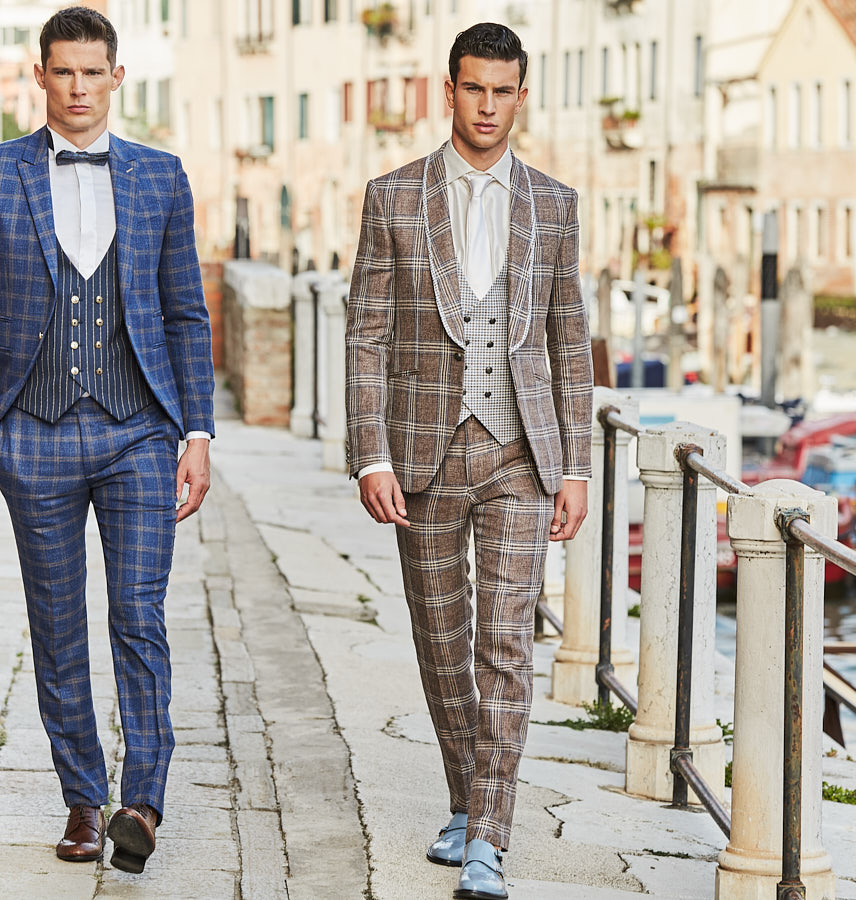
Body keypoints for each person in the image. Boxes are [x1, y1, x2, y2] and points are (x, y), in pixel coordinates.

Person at [0, 6, 214, 875]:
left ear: (116, 78)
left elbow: (184, 313)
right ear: (40, 76)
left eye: (94, 72)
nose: (80, 87)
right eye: (65, 72)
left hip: (139, 431)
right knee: (56, 627)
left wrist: (196, 430)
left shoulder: (161, 177)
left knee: (138, 615)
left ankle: (143, 803)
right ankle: (83, 803)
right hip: (33, 438)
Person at [345, 22, 591, 900]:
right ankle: (463, 800)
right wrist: (368, 452)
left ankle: (489, 834)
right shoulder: (392, 198)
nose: (487, 106)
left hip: (523, 452)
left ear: (521, 96)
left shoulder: (555, 204)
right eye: (472, 89)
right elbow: (367, 333)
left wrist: (576, 467)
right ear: (445, 91)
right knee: (442, 642)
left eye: (503, 90)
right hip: (422, 452)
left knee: (505, 645)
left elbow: (569, 340)